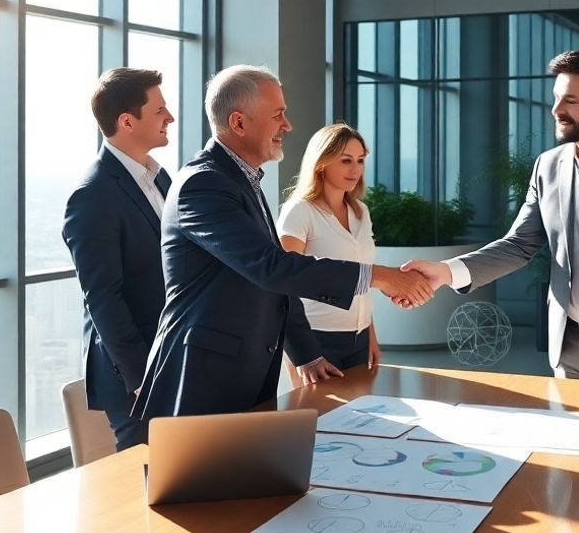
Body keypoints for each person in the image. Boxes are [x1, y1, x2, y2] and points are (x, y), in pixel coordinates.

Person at [133, 66, 431, 434]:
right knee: (207, 490)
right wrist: (378, 277)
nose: (287, 125)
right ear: (239, 122)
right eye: (278, 115)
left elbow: (274, 284)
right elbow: (271, 267)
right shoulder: (204, 184)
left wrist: (305, 352)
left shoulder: (243, 180)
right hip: (204, 379)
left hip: (243, 370)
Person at [403, 49, 579, 389]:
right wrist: (445, 271)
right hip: (567, 349)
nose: (556, 110)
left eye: (570, 100)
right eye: (556, 98)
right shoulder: (547, 166)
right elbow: (518, 245)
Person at [62, 68, 174, 451]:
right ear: (128, 121)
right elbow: (103, 299)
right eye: (160, 110)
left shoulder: (161, 180)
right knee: (151, 488)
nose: (169, 118)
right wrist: (143, 375)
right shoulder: (92, 196)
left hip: (175, 363)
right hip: (138, 380)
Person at [278, 124, 379, 386]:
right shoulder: (299, 211)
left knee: (358, 421)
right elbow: (283, 283)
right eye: (346, 160)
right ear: (321, 162)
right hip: (316, 339)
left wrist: (371, 334)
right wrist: (303, 353)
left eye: (360, 160)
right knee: (319, 421)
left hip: (359, 337)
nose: (355, 169)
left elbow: (361, 278)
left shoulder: (361, 212)